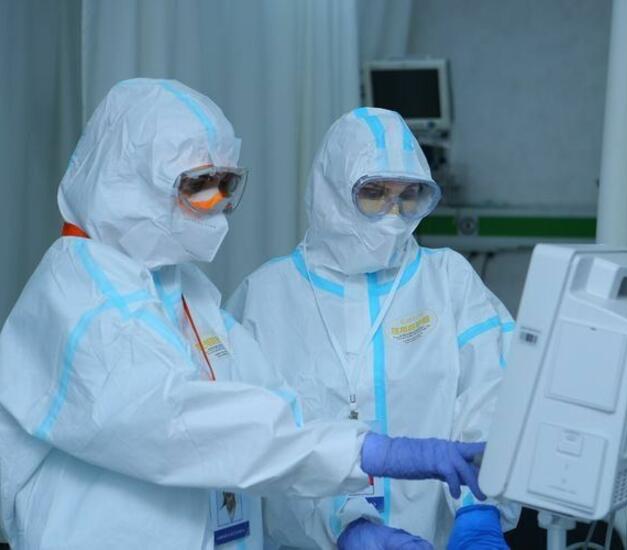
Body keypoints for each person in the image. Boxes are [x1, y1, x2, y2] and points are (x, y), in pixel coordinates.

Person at [0, 81, 485, 550]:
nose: (217, 205)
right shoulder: (78, 294)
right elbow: (179, 422)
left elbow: (277, 404)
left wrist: (343, 522)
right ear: (127, 181)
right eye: (198, 185)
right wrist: (368, 451)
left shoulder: (182, 289)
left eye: (225, 184)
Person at [227, 107, 519, 549]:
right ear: (331, 190)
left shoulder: (447, 281)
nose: (393, 214)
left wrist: (480, 507)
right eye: (374, 193)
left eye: (408, 196)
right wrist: (340, 526)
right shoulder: (266, 297)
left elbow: (496, 393)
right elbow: (249, 442)